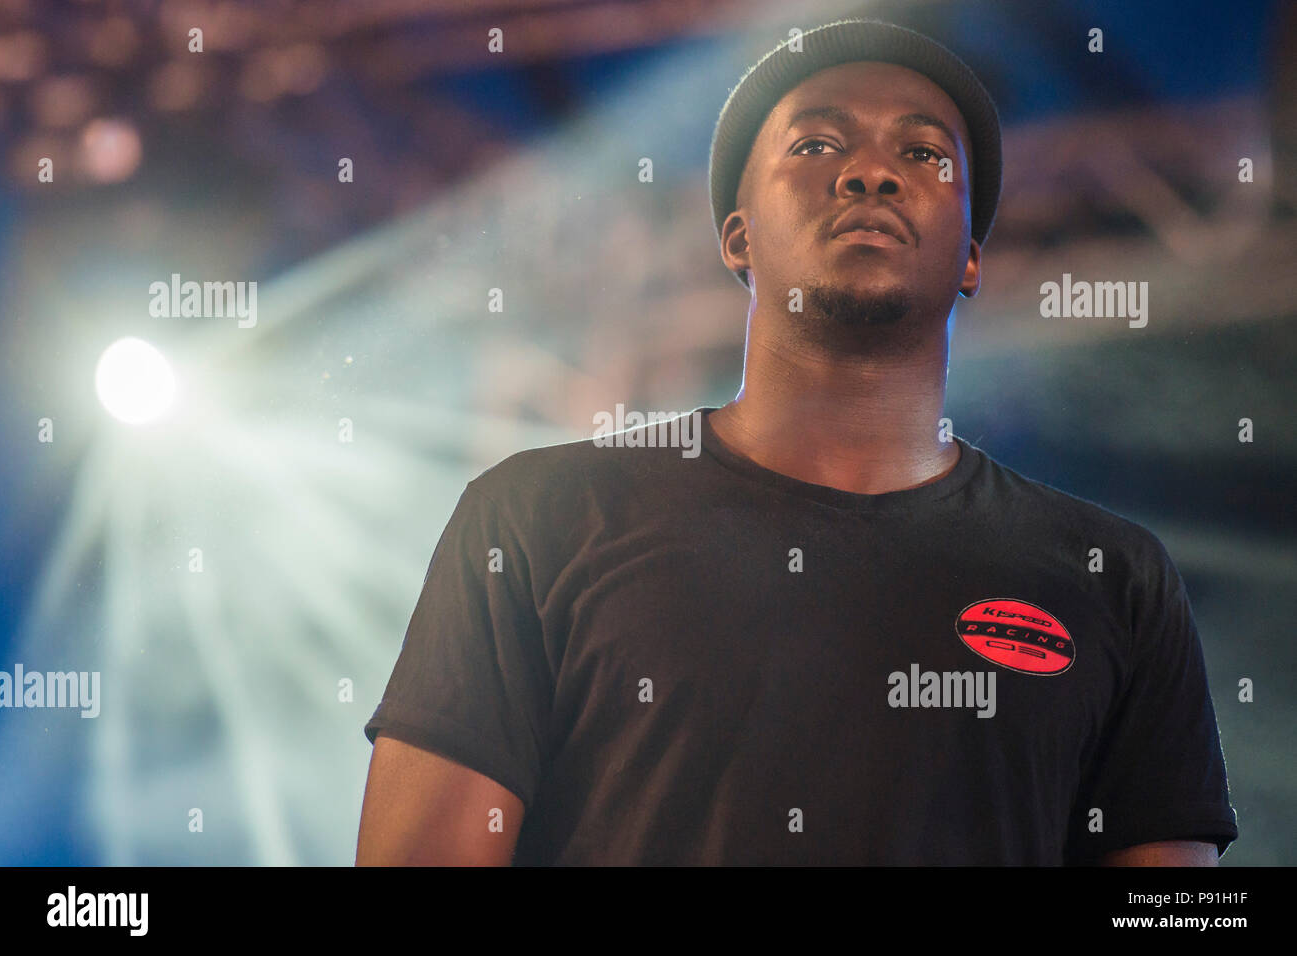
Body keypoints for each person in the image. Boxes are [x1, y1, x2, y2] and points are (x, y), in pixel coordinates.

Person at [356, 18, 1238, 865]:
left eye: (924, 153)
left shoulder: (1113, 576)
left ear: (971, 255)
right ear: (738, 238)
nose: (872, 173)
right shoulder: (534, 518)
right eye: (816, 145)